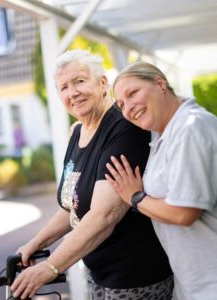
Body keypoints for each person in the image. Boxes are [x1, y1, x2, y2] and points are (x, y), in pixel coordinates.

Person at [105, 61, 217, 300]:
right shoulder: (162, 133)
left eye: (132, 93)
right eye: (121, 104)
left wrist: (135, 197)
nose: (128, 108)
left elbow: (183, 213)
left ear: (160, 83)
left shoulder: (192, 127)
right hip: (198, 282)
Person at [10, 50, 173, 300]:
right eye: (63, 87)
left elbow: (104, 215)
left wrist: (51, 266)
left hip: (134, 275)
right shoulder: (77, 132)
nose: (72, 92)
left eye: (79, 81)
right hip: (98, 272)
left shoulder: (124, 128)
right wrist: (36, 243)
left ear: (103, 83)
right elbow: (72, 207)